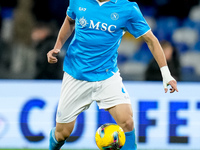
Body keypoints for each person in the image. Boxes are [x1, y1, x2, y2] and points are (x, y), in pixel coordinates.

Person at [47, 0, 178, 149]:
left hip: (107, 76)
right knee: (62, 134)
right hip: (76, 75)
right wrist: (57, 48)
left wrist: (166, 74)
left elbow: (151, 40)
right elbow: (70, 21)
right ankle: (54, 141)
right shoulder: (79, 1)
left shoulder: (127, 9)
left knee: (127, 121)